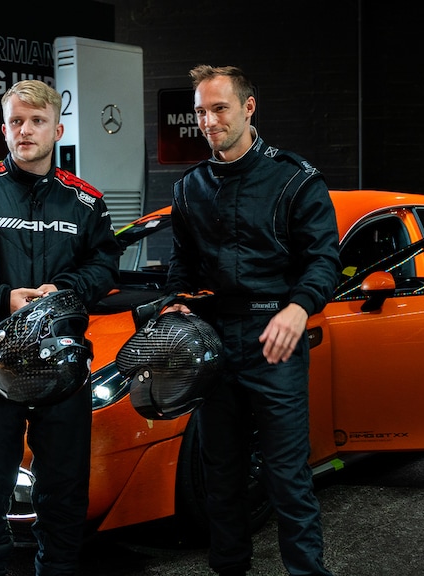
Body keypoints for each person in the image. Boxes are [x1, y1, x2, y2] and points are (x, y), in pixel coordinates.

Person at [0, 80, 119, 576]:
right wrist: (2, 296)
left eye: (37, 121)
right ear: (4, 129)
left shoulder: (86, 202)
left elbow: (104, 266)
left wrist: (65, 291)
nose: (26, 130)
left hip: (63, 357)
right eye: (16, 121)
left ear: (57, 130)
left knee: (64, 484)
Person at [164, 65, 341, 576]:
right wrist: (176, 299)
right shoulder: (190, 187)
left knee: (286, 475)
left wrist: (298, 307)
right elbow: (182, 261)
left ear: (248, 107)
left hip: (274, 339)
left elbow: (324, 260)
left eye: (219, 108)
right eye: (201, 111)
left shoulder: (295, 178)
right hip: (213, 341)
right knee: (221, 475)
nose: (208, 120)